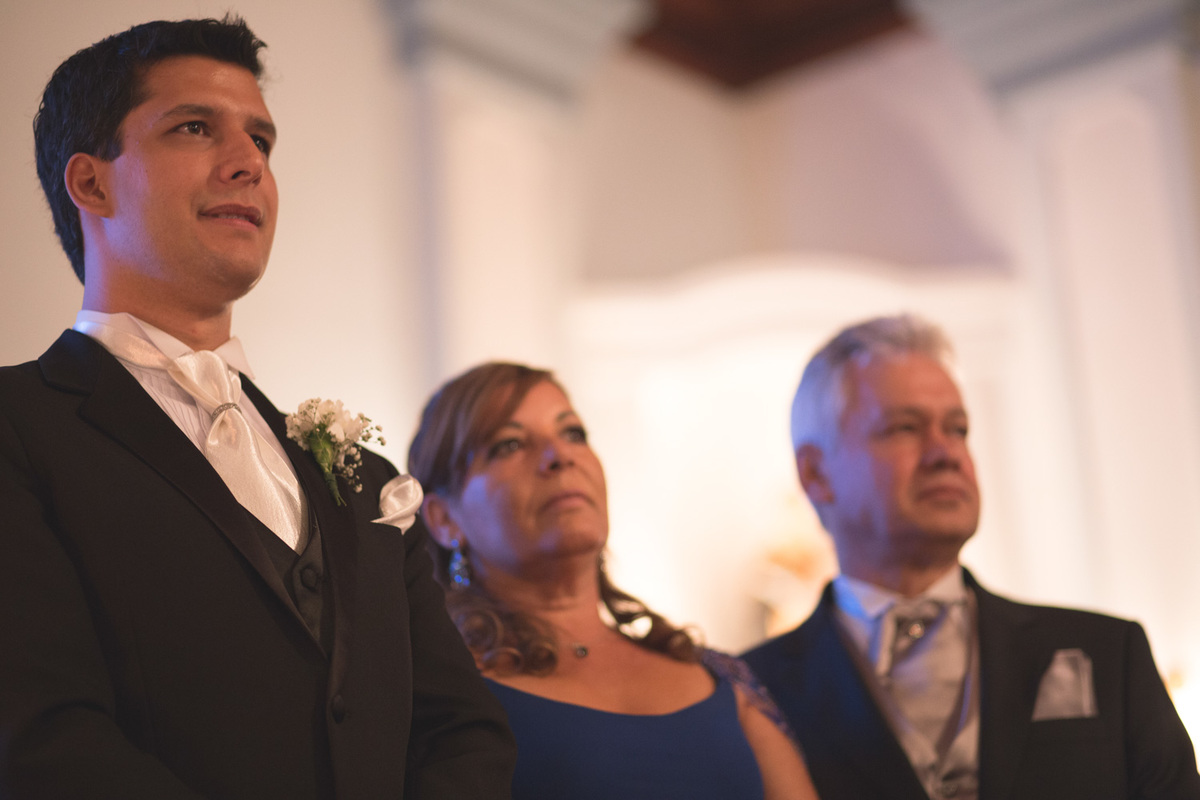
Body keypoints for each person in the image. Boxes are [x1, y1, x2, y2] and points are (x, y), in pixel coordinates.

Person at [0, 17, 515, 799]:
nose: (249, 165)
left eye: (263, 143)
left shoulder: (366, 484)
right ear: (91, 183)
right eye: (196, 128)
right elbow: (38, 737)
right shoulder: (19, 427)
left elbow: (460, 730)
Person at [742, 314, 1200, 800]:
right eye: (904, 427)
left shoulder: (1109, 652)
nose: (946, 453)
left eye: (958, 428)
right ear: (816, 474)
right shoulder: (749, 694)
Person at [407, 361, 819, 800]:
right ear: (444, 518)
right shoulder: (432, 693)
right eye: (509, 444)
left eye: (573, 433)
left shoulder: (723, 680)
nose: (558, 455)